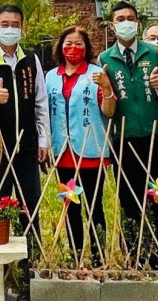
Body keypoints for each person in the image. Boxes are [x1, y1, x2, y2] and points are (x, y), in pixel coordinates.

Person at [99, 1, 158, 265]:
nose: (126, 23)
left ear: (138, 23)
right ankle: (134, 252)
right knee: (130, 198)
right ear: (113, 25)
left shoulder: (155, 53)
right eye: (120, 19)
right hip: (124, 138)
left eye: (130, 18)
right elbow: (107, 102)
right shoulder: (104, 59)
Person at [0, 4, 50, 236]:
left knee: (30, 202)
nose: (10, 29)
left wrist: (43, 140)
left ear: (22, 29)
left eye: (15, 25)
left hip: (27, 145)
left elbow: (41, 103)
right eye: (5, 24)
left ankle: (31, 255)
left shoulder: (32, 60)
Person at [47, 26, 115, 264]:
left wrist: (106, 87)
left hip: (91, 151)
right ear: (60, 47)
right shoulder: (50, 77)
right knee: (70, 207)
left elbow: (109, 111)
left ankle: (98, 258)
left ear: (86, 48)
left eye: (78, 44)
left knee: (94, 208)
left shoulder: (97, 73)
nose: (72, 49)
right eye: (68, 44)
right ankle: (75, 256)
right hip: (63, 152)